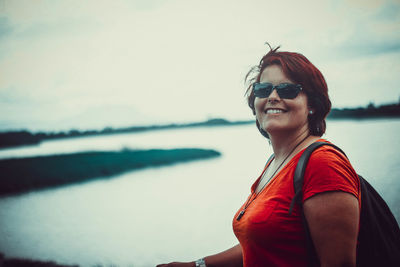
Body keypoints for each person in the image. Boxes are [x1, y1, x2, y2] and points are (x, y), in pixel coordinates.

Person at [157, 45, 360, 267]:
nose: (273, 97)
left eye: (287, 90)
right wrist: (197, 265)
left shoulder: (323, 164)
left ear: (312, 104)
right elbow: (264, 243)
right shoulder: (275, 162)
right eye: (263, 89)